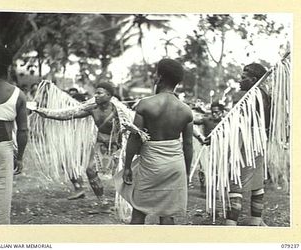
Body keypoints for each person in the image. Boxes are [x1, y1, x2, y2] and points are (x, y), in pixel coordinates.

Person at [118, 58, 193, 225]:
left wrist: (128, 165)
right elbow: (188, 145)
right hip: (175, 165)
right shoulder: (186, 110)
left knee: (139, 209)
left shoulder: (146, 104)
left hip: (151, 164)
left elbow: (135, 136)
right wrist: (187, 172)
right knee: (168, 214)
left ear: (159, 77)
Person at [35, 82, 122, 204]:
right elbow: (70, 114)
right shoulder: (93, 109)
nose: (95, 96)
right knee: (90, 171)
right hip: (101, 144)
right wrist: (47, 113)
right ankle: (103, 203)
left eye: (99, 93)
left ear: (109, 95)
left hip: (119, 146)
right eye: (95, 93)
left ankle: (130, 201)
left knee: (123, 174)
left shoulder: (119, 111)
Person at [225, 63, 271, 226]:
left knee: (236, 182)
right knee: (257, 182)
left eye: (243, 78)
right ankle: (256, 220)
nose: (239, 80)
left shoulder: (244, 96)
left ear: (253, 80)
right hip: (260, 141)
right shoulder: (265, 95)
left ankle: (231, 224)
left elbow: (234, 122)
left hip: (245, 141)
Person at [0, 64, 28, 224]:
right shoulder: (17, 94)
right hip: (1, 147)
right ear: (8, 68)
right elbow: (23, 130)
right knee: (1, 193)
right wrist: (19, 157)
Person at [192, 101, 225, 188]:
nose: (214, 114)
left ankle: (217, 186)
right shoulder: (207, 120)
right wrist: (200, 137)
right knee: (204, 168)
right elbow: (192, 122)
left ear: (222, 112)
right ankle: (204, 185)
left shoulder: (226, 122)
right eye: (212, 112)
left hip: (220, 149)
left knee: (219, 169)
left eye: (216, 112)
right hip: (207, 148)